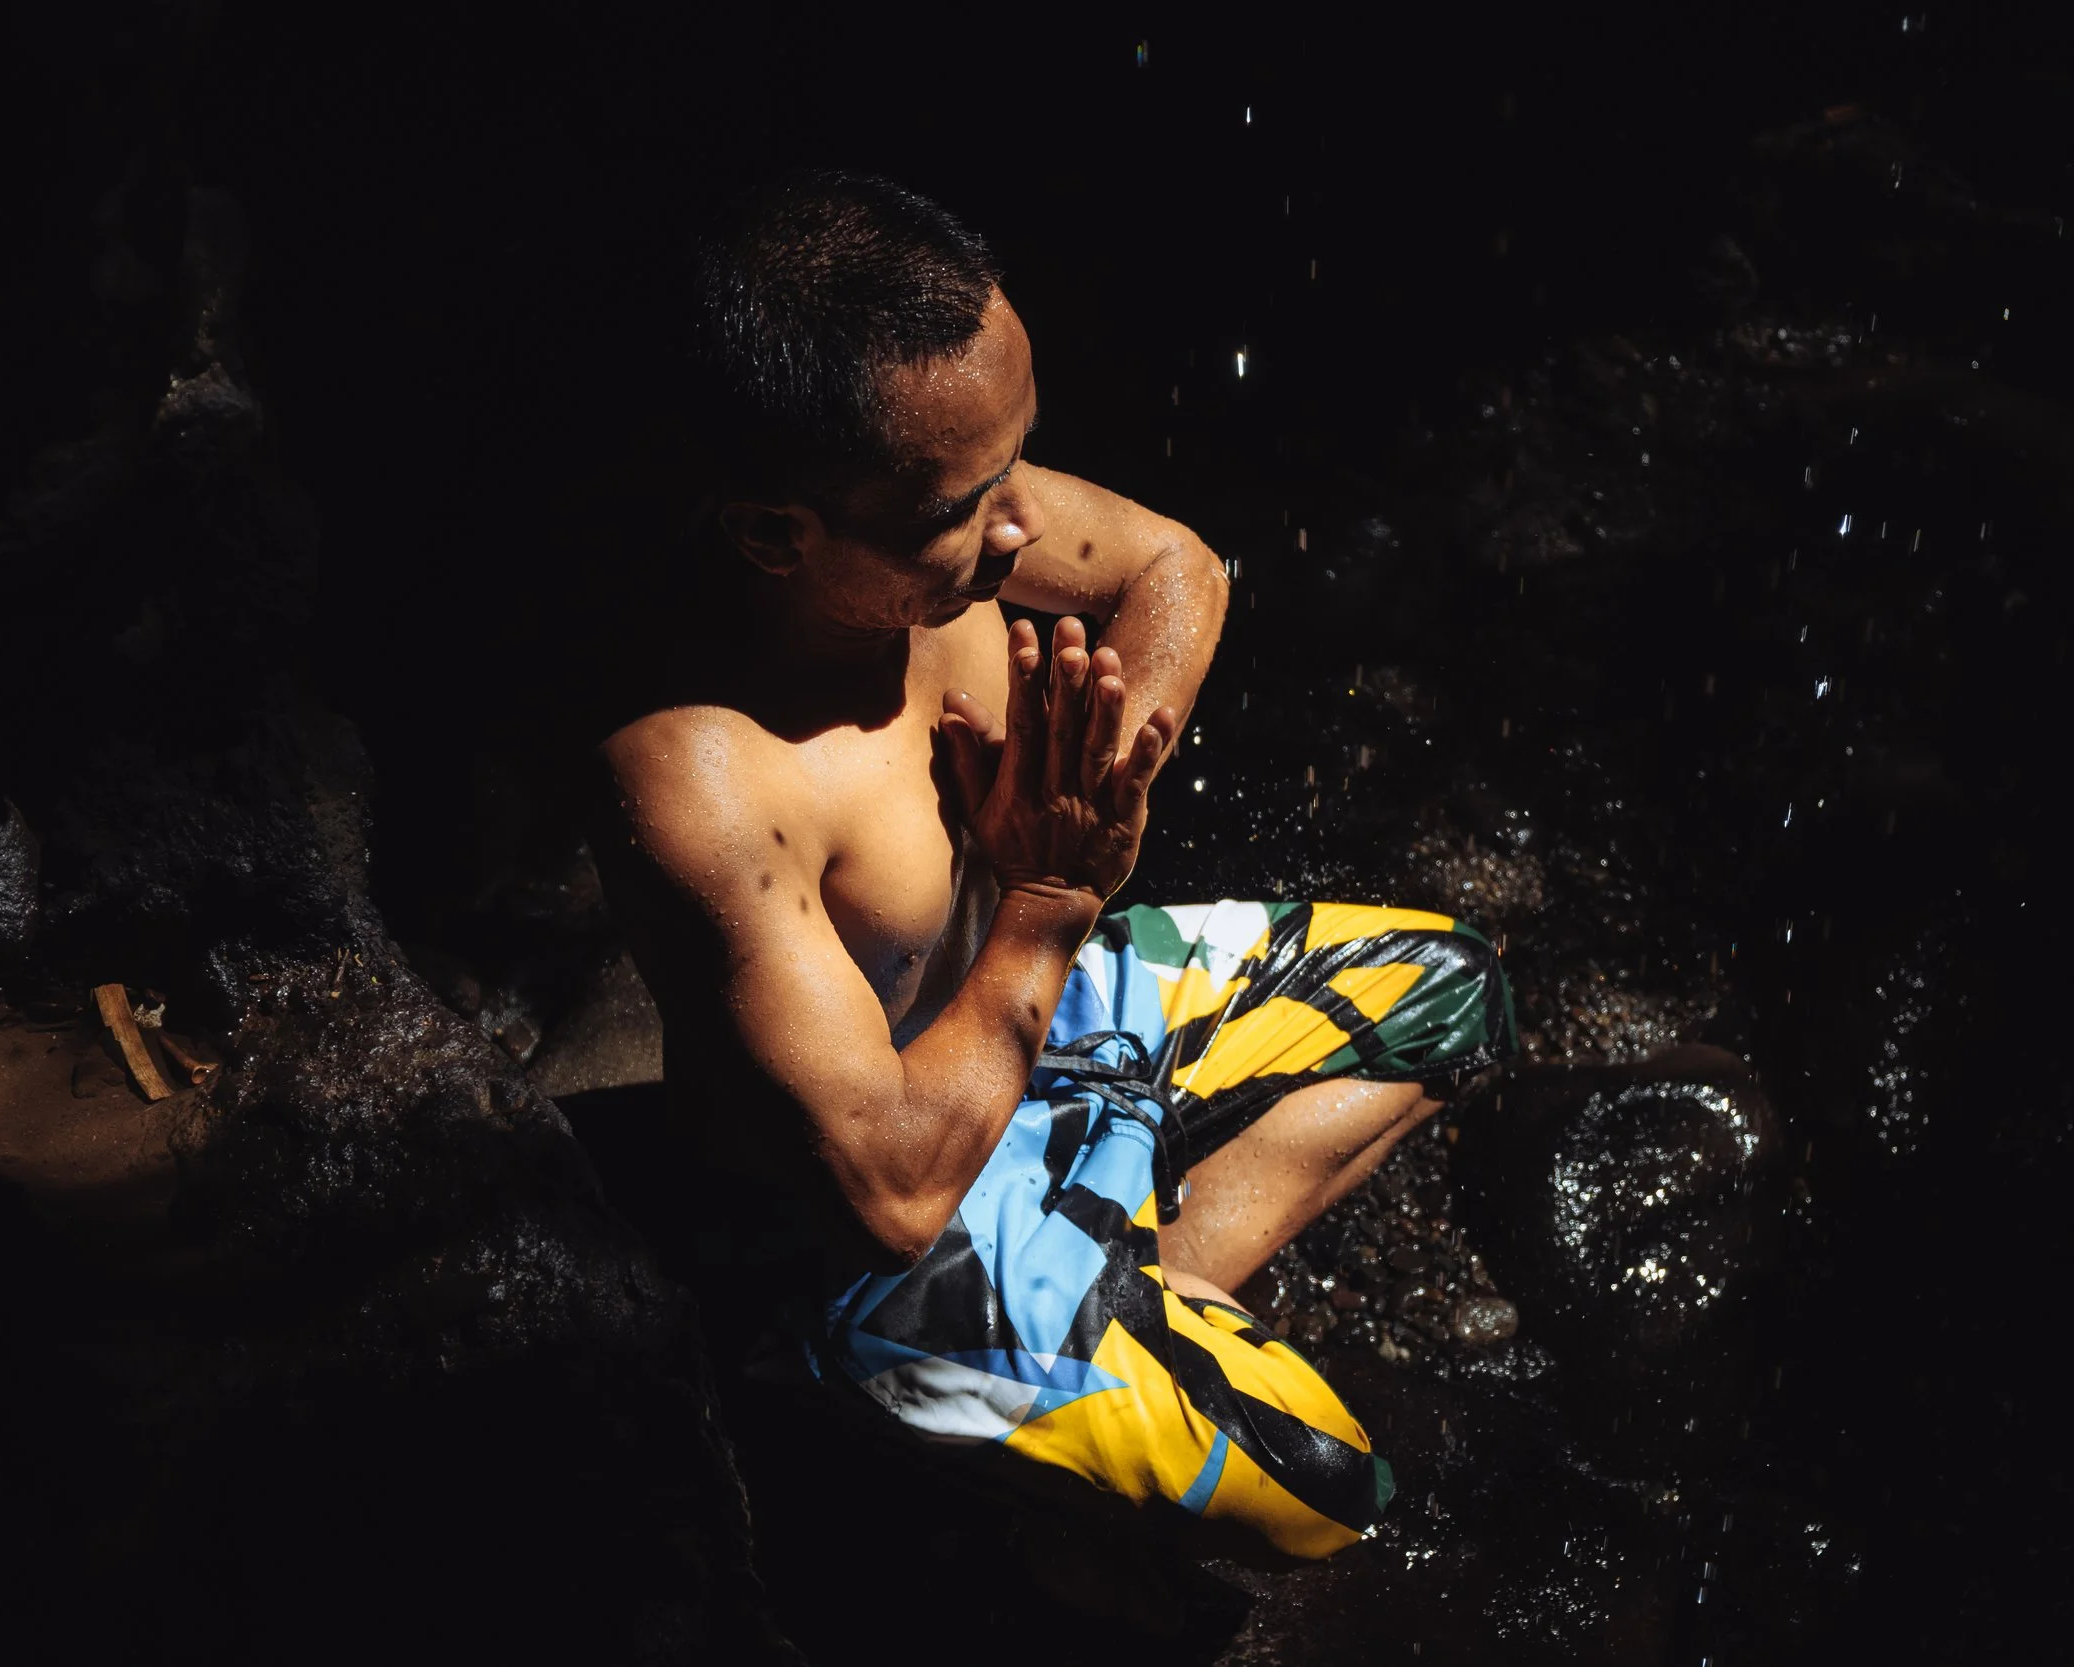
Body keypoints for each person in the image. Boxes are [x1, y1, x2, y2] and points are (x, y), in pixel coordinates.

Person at [588, 172, 1515, 1560]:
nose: (1021, 526)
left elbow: (1178, 567)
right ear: (780, 532)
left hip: (1043, 1021)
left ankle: (1120, 1293)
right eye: (965, 504)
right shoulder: (709, 778)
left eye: (1018, 462)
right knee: (1331, 1490)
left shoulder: (964, 538)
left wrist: (1089, 782)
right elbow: (891, 1196)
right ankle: (908, 1419)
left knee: (1455, 990)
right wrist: (1050, 896)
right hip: (883, 1245)